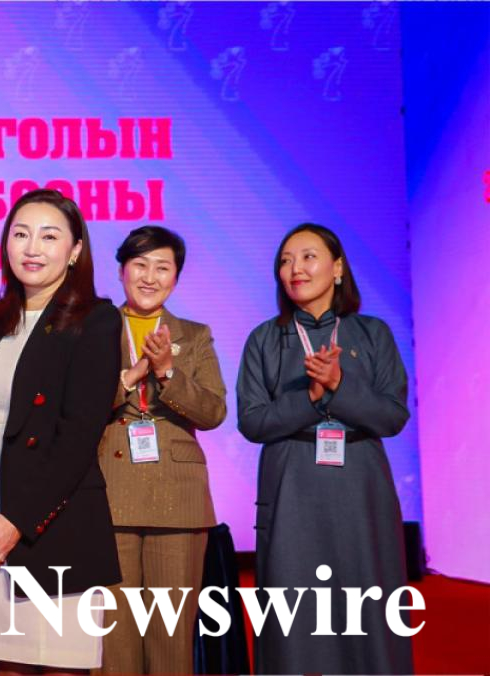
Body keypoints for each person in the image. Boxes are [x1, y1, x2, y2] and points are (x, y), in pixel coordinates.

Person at [237, 223, 412, 674]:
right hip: (291, 484)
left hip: (360, 485)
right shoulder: (264, 339)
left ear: (337, 268)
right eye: (285, 260)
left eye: (308, 257)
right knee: (292, 611)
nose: (295, 269)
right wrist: (310, 399)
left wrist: (339, 385)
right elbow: (252, 422)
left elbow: (392, 417)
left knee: (366, 605)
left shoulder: (372, 334)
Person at [0, 189, 122, 672]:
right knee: (3, 663)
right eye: (21, 234)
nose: (32, 248)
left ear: (74, 251)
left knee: (60, 662)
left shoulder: (96, 319)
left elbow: (79, 435)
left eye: (49, 237)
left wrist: (19, 518)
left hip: (53, 516)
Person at [97, 226, 226, 674]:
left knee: (171, 640)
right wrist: (129, 378)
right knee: (112, 641)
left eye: (162, 267)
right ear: (121, 270)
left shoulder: (195, 335)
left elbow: (213, 411)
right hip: (109, 491)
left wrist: (169, 372)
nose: (150, 277)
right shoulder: (94, 328)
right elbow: (76, 407)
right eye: (140, 265)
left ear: (176, 277)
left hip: (178, 497)